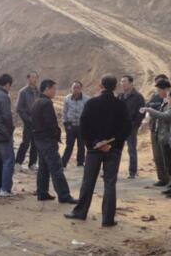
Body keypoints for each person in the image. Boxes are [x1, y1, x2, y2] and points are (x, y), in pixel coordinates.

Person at [64, 74, 131, 227]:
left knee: (88, 181)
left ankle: (80, 212)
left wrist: (95, 143)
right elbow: (127, 127)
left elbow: (84, 126)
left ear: (100, 85)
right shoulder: (120, 105)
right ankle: (108, 219)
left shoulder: (91, 103)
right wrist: (112, 144)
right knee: (110, 183)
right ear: (115, 87)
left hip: (94, 149)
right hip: (113, 150)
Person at [31, 79, 77, 204]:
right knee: (56, 168)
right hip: (47, 140)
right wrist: (56, 134)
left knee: (43, 167)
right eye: (54, 89)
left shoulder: (37, 102)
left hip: (39, 139)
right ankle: (64, 195)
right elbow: (51, 124)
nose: (55, 91)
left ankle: (42, 192)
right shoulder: (46, 103)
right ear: (47, 88)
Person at [142, 79, 171, 198]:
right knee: (169, 165)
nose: (158, 93)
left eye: (159, 90)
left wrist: (150, 110)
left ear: (165, 89)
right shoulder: (166, 100)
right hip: (163, 136)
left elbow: (166, 116)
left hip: (169, 137)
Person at [118, 75, 145, 179]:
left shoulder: (138, 97)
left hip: (131, 128)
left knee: (132, 150)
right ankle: (112, 170)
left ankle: (132, 172)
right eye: (121, 82)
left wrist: (135, 124)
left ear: (131, 83)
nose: (122, 83)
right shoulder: (120, 96)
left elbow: (141, 112)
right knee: (116, 150)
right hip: (120, 128)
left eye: (124, 81)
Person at [147, 74, 171, 186]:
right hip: (154, 129)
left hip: (166, 131)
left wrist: (153, 110)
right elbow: (148, 106)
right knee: (157, 156)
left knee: (166, 156)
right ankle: (162, 178)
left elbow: (166, 115)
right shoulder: (154, 96)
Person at [15, 72, 39, 172]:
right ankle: (18, 163)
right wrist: (28, 120)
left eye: (36, 77)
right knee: (25, 142)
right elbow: (19, 108)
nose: (34, 79)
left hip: (38, 122)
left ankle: (32, 164)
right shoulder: (23, 92)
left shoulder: (39, 92)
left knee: (35, 144)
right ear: (28, 78)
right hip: (28, 122)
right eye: (32, 77)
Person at [62, 81, 89, 168]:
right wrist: (65, 124)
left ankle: (80, 163)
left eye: (78, 87)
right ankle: (63, 162)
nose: (76, 89)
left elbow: (89, 113)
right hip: (70, 126)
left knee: (81, 145)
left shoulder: (87, 99)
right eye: (74, 87)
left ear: (81, 88)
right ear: (71, 88)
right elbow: (64, 112)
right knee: (69, 145)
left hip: (82, 126)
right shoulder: (67, 98)